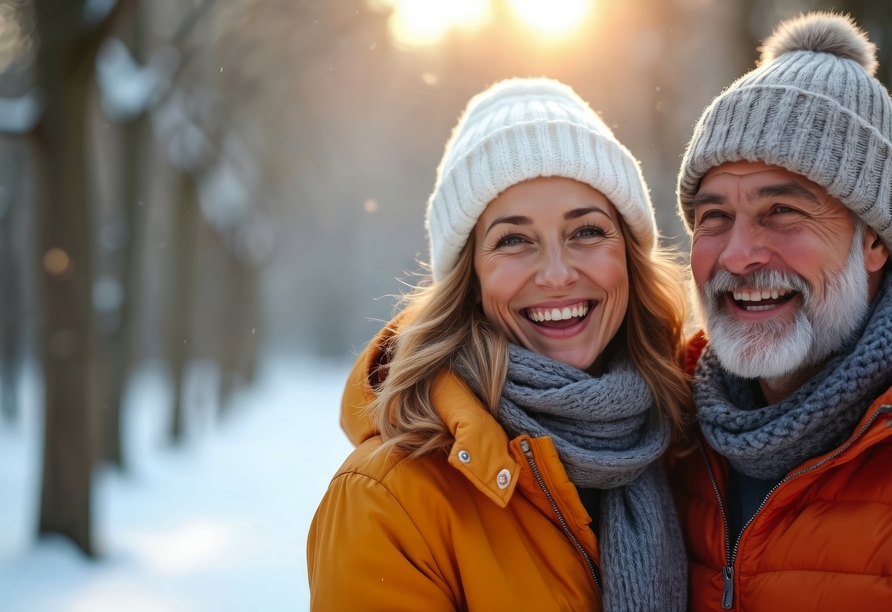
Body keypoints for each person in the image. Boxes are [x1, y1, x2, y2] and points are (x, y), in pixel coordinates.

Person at [307, 79, 692, 611]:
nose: (557, 274)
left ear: (628, 256)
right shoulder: (388, 498)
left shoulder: (690, 450)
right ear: (470, 280)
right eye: (513, 240)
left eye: (587, 231)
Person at [670, 12, 892, 611]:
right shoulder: (667, 435)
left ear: (873, 240)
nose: (739, 256)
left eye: (783, 211)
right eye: (713, 217)